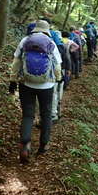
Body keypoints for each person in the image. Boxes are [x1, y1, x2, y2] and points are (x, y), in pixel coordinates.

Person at [9, 20, 62, 164]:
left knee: (27, 115)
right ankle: (44, 145)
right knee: (46, 115)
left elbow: (16, 61)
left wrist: (13, 79)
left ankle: (25, 143)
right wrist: (58, 79)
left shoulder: (25, 40)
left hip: (26, 83)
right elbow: (57, 65)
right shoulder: (51, 43)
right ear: (47, 30)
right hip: (46, 86)